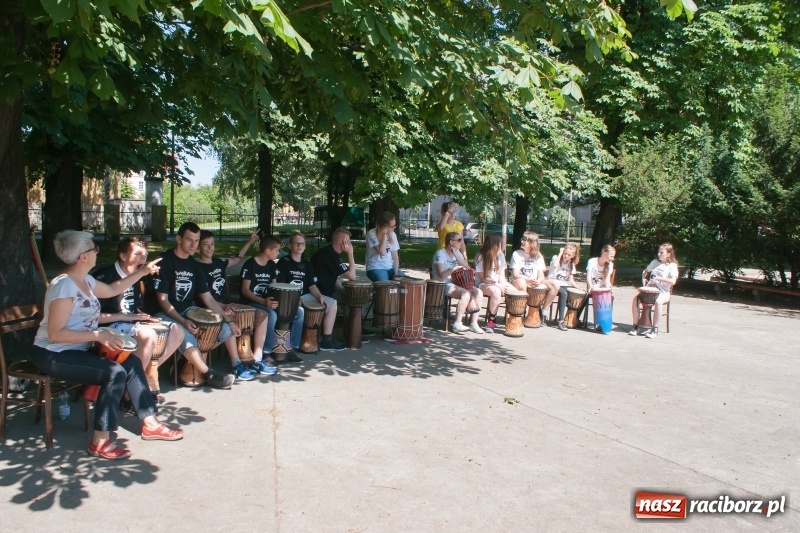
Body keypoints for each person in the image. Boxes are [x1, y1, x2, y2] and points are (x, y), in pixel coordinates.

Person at [32, 230, 183, 461]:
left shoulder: (86, 280)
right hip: (53, 353)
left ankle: (150, 423)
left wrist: (143, 271)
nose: (96, 252)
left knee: (131, 362)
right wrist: (98, 335)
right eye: (94, 249)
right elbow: (55, 334)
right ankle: (100, 441)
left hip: (75, 348)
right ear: (83, 256)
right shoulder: (64, 286)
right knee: (113, 373)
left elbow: (114, 289)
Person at [92, 236, 185, 403]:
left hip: (128, 322)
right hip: (107, 327)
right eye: (138, 254)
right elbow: (93, 317)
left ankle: (141, 377)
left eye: (145, 254)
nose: (143, 258)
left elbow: (131, 308)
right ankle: (131, 394)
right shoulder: (104, 276)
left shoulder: (135, 276)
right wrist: (125, 317)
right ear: (122, 255)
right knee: (148, 335)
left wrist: (143, 317)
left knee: (177, 330)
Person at [151, 222, 239, 389]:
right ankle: (209, 374)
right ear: (178, 239)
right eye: (189, 240)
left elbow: (208, 299)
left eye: (197, 240)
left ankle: (184, 361)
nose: (194, 245)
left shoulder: (194, 265)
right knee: (187, 335)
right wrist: (183, 321)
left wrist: (229, 320)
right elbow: (163, 301)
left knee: (225, 330)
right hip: (162, 312)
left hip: (187, 309)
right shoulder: (166, 261)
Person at [197, 229, 275, 380]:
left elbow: (238, 259)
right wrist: (223, 306)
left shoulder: (219, 262)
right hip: (209, 308)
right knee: (229, 321)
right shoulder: (197, 267)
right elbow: (203, 297)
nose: (209, 248)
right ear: (199, 247)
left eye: (212, 244)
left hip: (228, 304)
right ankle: (236, 364)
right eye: (205, 244)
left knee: (263, 315)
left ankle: (257, 360)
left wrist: (250, 242)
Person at [278, 232, 346, 352]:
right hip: (288, 297)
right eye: (296, 243)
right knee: (300, 311)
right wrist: (294, 298)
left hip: (304, 296)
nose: (299, 246)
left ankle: (327, 340)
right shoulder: (283, 262)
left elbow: (312, 286)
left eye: (302, 244)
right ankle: (292, 345)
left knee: (331, 303)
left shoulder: (307, 264)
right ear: (289, 245)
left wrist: (320, 296)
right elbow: (281, 285)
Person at [240, 234, 302, 363]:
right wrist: (263, 301)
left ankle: (289, 347)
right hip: (252, 302)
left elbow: (275, 286)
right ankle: (267, 351)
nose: (279, 253)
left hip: (267, 301)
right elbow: (245, 291)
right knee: (272, 315)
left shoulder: (271, 265)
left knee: (298, 312)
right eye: (277, 250)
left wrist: (288, 302)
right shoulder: (250, 264)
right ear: (268, 251)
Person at [432, 231, 483, 334]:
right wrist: (455, 268)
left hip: (458, 282)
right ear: (451, 242)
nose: (461, 242)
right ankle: (457, 324)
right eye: (459, 240)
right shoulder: (440, 254)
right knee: (466, 293)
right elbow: (442, 275)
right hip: (443, 283)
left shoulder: (457, 253)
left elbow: (466, 267)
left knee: (479, 292)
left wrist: (456, 254)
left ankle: (473, 323)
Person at [629, 243, 678, 339]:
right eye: (659, 252)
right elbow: (645, 271)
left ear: (668, 254)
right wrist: (643, 278)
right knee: (636, 300)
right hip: (650, 290)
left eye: (662, 252)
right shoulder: (655, 262)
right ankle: (635, 327)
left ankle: (654, 329)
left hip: (663, 292)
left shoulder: (672, 266)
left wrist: (659, 278)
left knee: (658, 301)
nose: (659, 254)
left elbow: (673, 281)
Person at [474, 234, 513, 333]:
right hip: (482, 284)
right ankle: (491, 321)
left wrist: (504, 286)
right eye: (500, 244)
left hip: (496, 283)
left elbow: (502, 276)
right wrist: (498, 285)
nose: (502, 246)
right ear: (494, 245)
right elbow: (483, 278)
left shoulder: (501, 256)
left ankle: (513, 320)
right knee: (496, 292)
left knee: (515, 292)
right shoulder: (481, 256)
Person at [310, 227, 357, 303]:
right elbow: (352, 276)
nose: (350, 244)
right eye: (348, 241)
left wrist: (342, 288)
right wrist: (350, 254)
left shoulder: (328, 251)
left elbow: (333, 277)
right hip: (324, 293)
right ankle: (351, 315)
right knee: (355, 299)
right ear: (341, 241)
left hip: (322, 289)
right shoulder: (332, 255)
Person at [546, 243, 581, 331]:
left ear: (572, 256)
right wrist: (560, 253)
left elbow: (571, 280)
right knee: (564, 293)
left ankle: (574, 318)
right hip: (552, 282)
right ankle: (561, 320)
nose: (566, 256)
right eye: (565, 253)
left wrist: (578, 288)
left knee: (577, 295)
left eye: (569, 255)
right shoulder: (556, 258)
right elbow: (554, 265)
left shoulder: (571, 264)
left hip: (563, 284)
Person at [365, 212, 404, 282]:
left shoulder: (392, 234)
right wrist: (384, 234)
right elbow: (382, 252)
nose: (394, 228)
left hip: (390, 268)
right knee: (384, 282)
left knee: (404, 281)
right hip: (375, 267)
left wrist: (396, 272)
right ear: (384, 226)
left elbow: (395, 256)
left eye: (395, 225)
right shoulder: (371, 233)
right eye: (392, 226)